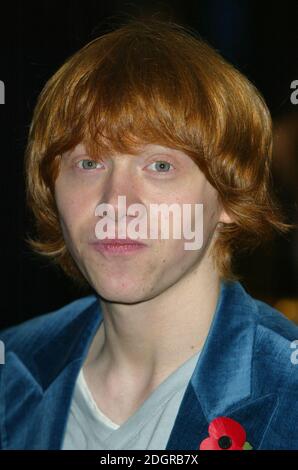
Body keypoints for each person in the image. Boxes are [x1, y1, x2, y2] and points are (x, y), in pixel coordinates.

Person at [0, 17, 297, 451]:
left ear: (230, 198)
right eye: (88, 163)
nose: (115, 203)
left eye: (160, 166)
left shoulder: (286, 392)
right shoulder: (14, 366)